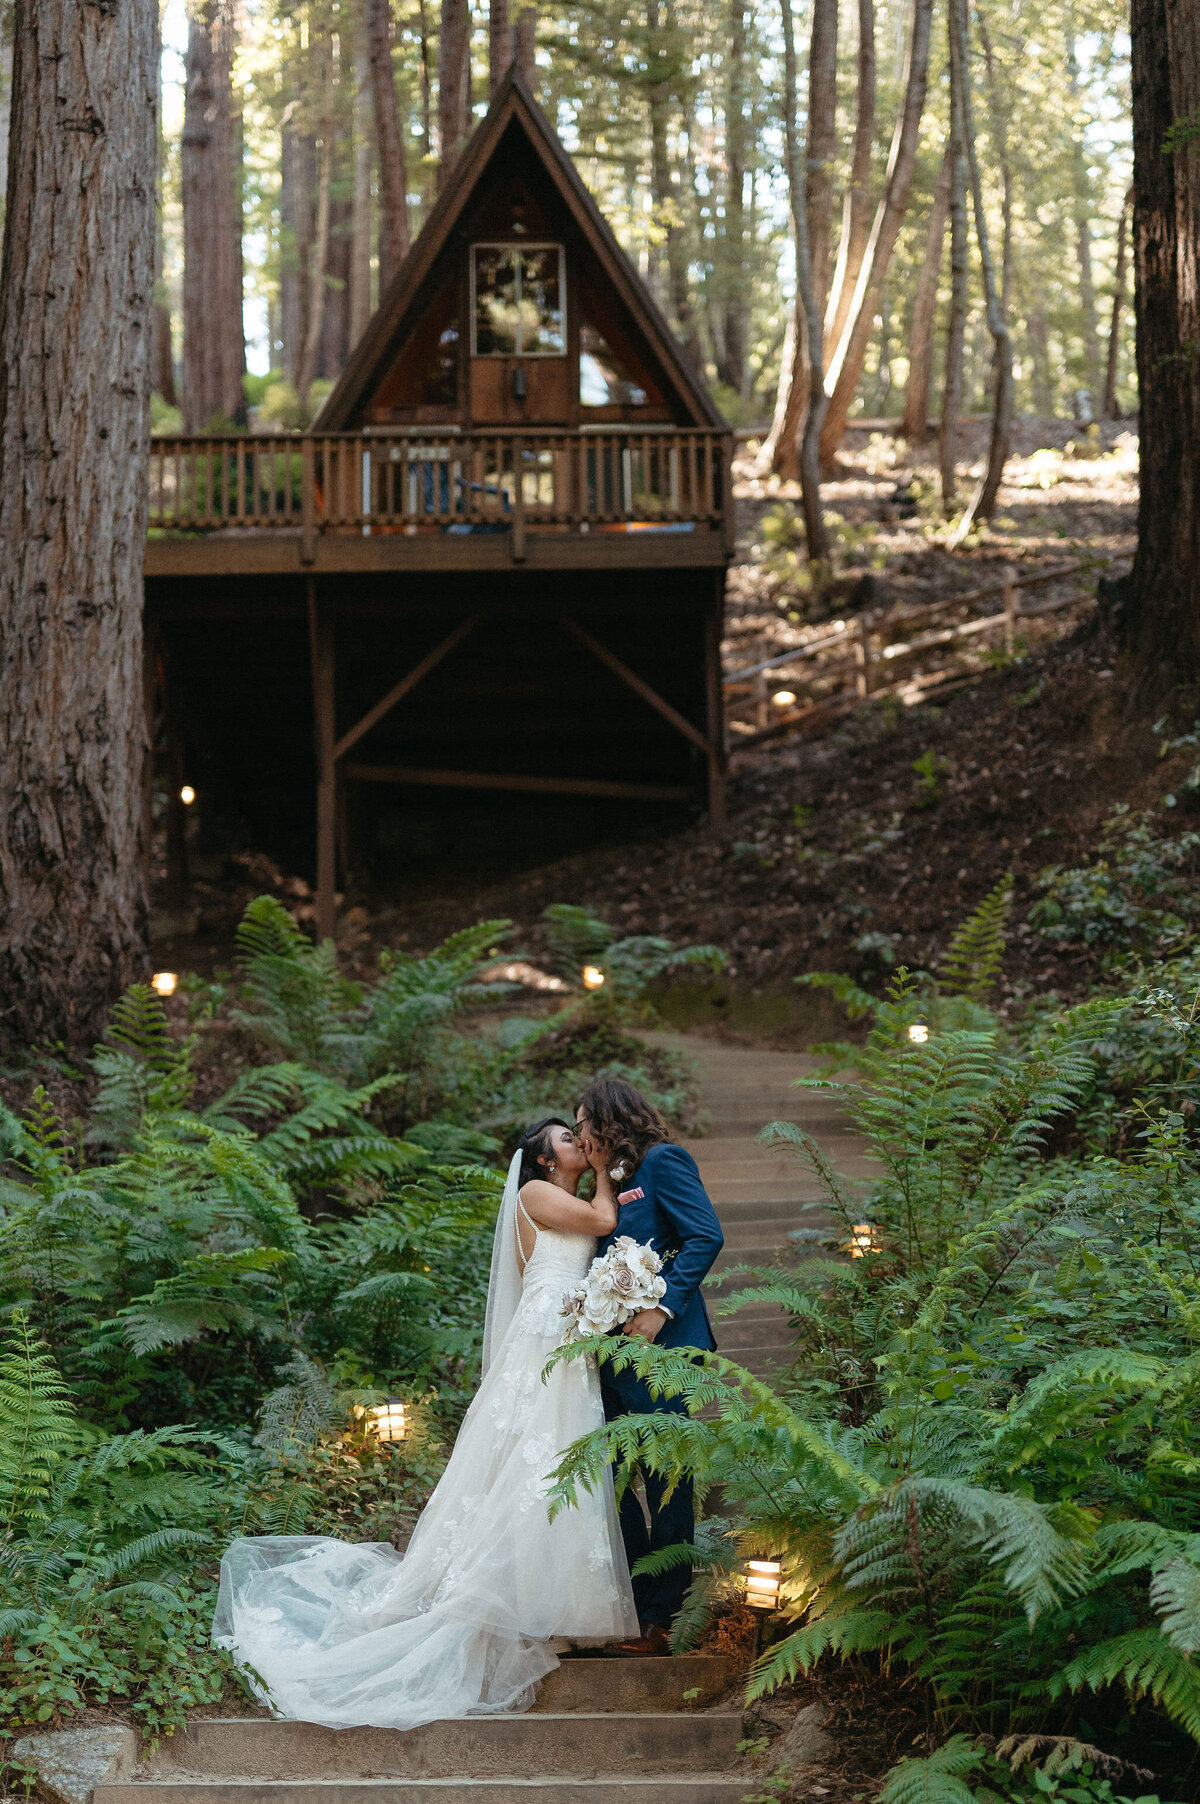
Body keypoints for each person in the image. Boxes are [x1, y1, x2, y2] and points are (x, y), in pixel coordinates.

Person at [213, 1118, 637, 1729]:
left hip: (565, 1331)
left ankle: (554, 1608)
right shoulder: (537, 1195)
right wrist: (604, 1169)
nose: (577, 1142)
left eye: (578, 1136)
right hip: (546, 1336)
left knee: (552, 1461)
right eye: (566, 1140)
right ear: (544, 1161)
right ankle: (515, 1604)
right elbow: (604, 1223)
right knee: (535, 1458)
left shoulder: (560, 1196)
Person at [575, 1077, 725, 1657]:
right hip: (609, 1357)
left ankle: (668, 1619)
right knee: (609, 1482)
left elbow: (705, 1236)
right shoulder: (608, 1185)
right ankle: (635, 1604)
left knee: (667, 1480)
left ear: (612, 1119)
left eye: (585, 1122)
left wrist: (662, 1308)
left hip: (663, 1353)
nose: (582, 1134)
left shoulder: (664, 1162)